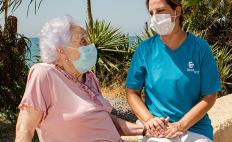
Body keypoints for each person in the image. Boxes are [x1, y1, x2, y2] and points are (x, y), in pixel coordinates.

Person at [15, 15, 143, 142]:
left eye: (88, 40)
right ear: (61, 50)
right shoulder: (45, 74)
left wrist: (144, 130)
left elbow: (102, 120)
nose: (91, 45)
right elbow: (25, 128)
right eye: (83, 41)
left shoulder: (90, 78)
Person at [126, 0, 221, 142]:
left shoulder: (200, 48)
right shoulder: (145, 49)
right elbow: (132, 93)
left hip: (195, 127)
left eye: (160, 11)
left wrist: (181, 125)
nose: (155, 17)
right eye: (152, 13)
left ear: (177, 11)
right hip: (158, 129)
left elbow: (210, 95)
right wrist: (149, 120)